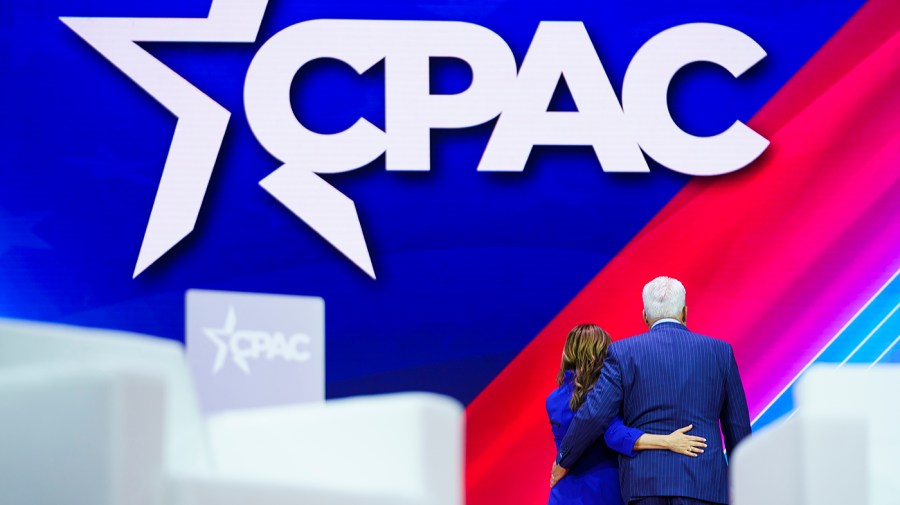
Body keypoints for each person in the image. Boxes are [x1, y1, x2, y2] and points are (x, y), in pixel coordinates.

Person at [551, 277, 752, 505]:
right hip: (705, 485)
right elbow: (738, 427)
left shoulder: (622, 352)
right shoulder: (720, 353)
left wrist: (563, 460)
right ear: (685, 312)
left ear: (645, 316)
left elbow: (594, 414)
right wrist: (744, 483)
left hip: (644, 487)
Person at [548, 323, 708, 505]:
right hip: (603, 493)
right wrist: (668, 441)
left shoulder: (552, 400)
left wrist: (562, 463)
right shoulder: (603, 397)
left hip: (562, 494)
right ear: (602, 355)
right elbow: (614, 435)